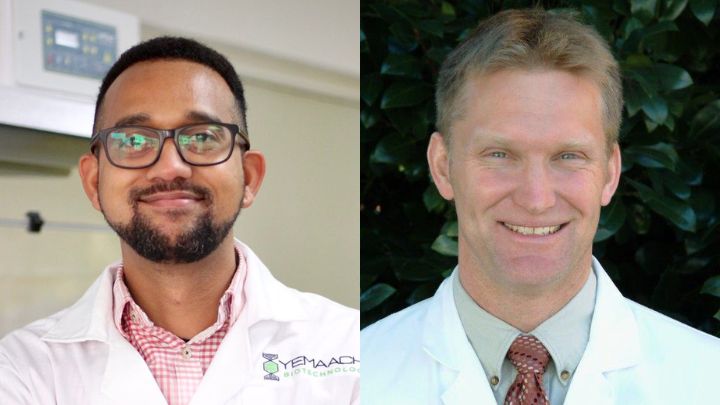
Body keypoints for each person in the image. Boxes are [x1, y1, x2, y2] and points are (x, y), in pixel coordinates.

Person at [361, 8, 720, 405]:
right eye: (499, 154)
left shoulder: (708, 377)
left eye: (569, 156)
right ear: (443, 167)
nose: (536, 200)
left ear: (610, 172)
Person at [0, 37, 359, 404]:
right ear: (94, 183)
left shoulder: (352, 345)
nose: (171, 166)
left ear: (249, 178)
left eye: (203, 137)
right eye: (133, 140)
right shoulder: (20, 370)